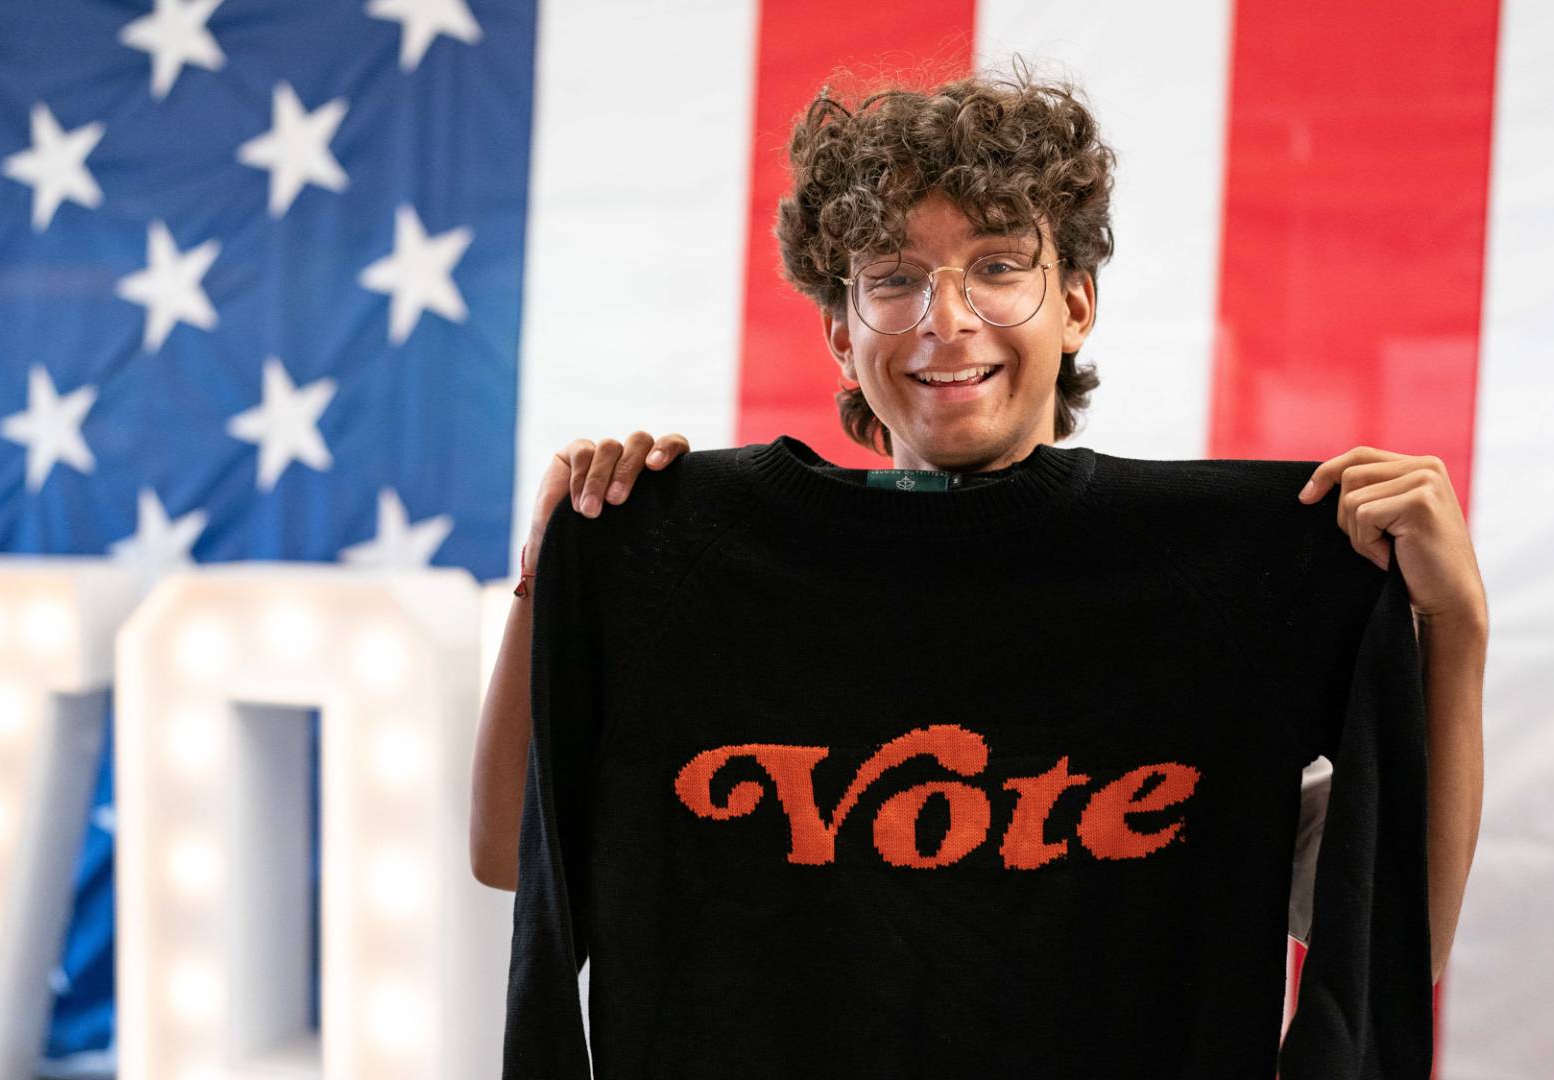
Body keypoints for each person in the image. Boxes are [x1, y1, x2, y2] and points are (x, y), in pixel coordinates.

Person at [470, 60, 1484, 997]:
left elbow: (1402, 931)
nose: (945, 319)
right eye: (895, 279)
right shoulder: (705, 574)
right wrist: (558, 573)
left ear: (1076, 304)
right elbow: (505, 849)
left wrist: (1458, 631)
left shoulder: (1222, 585)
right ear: (842, 331)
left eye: (998, 266)